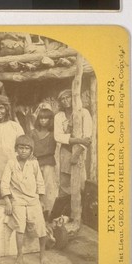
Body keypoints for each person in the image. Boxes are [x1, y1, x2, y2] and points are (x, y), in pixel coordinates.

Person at [1, 135, 47, 264]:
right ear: (16, 149)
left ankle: (43, 253)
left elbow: (40, 182)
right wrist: (8, 201)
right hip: (17, 200)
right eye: (21, 148)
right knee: (19, 227)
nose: (23, 151)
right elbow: (4, 183)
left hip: (33, 200)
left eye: (27, 148)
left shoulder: (34, 163)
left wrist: (41, 200)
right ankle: (19, 255)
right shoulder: (11, 163)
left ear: (31, 151)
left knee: (41, 227)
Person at [53, 89, 92, 233]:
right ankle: (64, 216)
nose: (65, 101)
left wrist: (78, 150)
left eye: (68, 97)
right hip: (65, 152)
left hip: (80, 152)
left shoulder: (84, 113)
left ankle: (78, 217)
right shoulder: (59, 116)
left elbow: (87, 137)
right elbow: (58, 136)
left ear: (73, 97)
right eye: (62, 99)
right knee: (64, 184)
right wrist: (76, 139)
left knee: (79, 184)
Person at [30, 107, 58, 218]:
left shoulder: (54, 133)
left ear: (50, 120)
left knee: (49, 187)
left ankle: (48, 211)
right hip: (35, 162)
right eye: (41, 118)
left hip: (49, 162)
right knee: (35, 186)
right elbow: (29, 147)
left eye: (46, 118)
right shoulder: (33, 133)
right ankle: (37, 211)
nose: (43, 120)